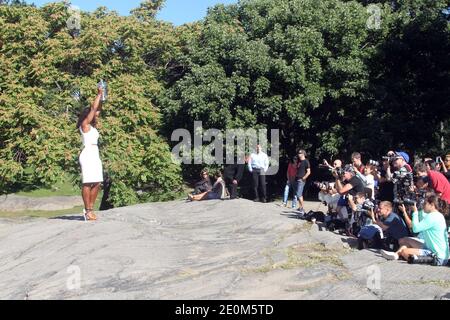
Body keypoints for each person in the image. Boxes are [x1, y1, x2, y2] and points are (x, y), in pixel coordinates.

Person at [381, 195, 449, 266]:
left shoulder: (432, 216)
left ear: (432, 205)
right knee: (404, 240)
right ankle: (396, 254)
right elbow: (419, 219)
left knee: (405, 252)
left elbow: (415, 229)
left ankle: (416, 258)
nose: (423, 205)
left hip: (437, 256)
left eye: (425, 203)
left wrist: (415, 212)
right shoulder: (437, 215)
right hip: (435, 250)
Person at [76, 86, 104, 221]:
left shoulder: (93, 127)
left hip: (95, 153)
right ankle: (87, 211)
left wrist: (103, 97)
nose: (97, 114)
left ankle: (91, 208)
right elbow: (94, 109)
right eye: (94, 113)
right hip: (87, 154)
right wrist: (98, 94)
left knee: (97, 182)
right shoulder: (84, 125)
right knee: (87, 182)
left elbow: (98, 109)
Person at [295, 150, 311, 214]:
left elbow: (309, 172)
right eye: (298, 153)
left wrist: (303, 178)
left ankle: (302, 208)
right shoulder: (299, 162)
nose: (298, 154)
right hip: (297, 179)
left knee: (299, 194)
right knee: (299, 194)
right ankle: (300, 207)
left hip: (301, 180)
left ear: (303, 154)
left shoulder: (306, 161)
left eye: (300, 153)